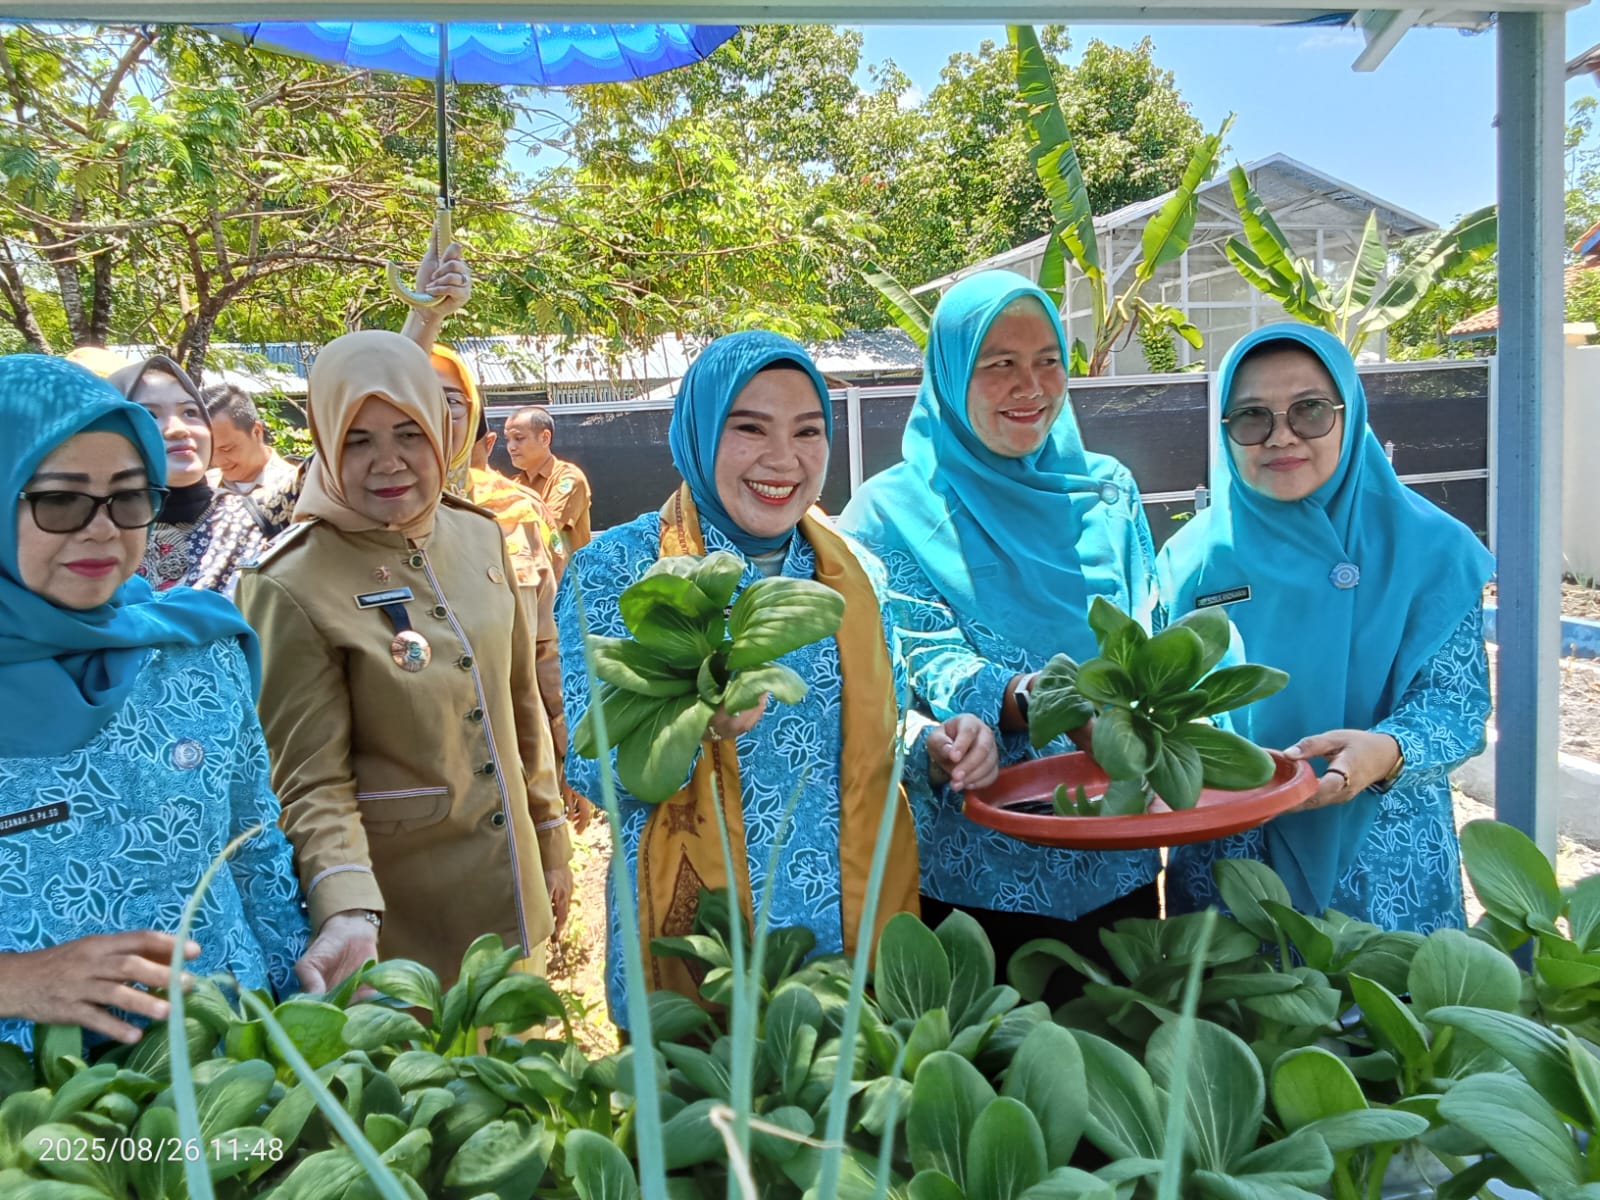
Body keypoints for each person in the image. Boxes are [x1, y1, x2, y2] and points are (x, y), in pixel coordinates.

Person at [557, 330, 998, 1027]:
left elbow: (873, 719)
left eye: (807, 431)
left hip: (849, 944)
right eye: (749, 428)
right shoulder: (619, 570)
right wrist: (693, 723)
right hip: (706, 949)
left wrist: (932, 747)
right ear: (700, 429)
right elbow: (591, 762)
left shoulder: (854, 571)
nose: (783, 459)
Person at [839, 269, 1161, 984]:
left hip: (1124, 846)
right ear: (953, 374)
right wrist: (1045, 698)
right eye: (1000, 365)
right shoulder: (890, 512)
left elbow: (1148, 624)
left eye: (1048, 359)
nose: (1032, 386)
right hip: (977, 870)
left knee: (1129, 1071)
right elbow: (920, 659)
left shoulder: (1107, 492)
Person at [235, 331, 571, 991]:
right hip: (398, 931)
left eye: (408, 435)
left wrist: (550, 836)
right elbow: (308, 782)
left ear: (442, 433)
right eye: (358, 440)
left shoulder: (478, 534)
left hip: (515, 893)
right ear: (325, 439)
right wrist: (345, 906)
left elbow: (517, 702)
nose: (387, 462)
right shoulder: (289, 582)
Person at [0, 355, 308, 1050]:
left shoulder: (195, 650)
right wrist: (18, 982)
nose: (103, 529)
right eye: (60, 499)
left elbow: (254, 852)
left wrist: (306, 1019)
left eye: (130, 497)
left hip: (231, 1075)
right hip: (39, 1118)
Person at [1157, 323, 1493, 931]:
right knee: (1239, 1020)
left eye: (1310, 410)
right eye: (1252, 416)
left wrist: (1386, 751)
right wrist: (1210, 752)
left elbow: (1457, 706)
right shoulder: (1191, 560)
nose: (1281, 436)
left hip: (1384, 861)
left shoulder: (1432, 549)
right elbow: (1166, 700)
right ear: (1225, 430)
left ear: (1349, 411)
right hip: (1232, 862)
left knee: (1385, 1019)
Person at [433, 343, 585, 831]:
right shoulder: (358, 519)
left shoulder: (517, 509)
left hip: (515, 752)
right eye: (418, 395)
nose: (436, 413)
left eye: (452, 400)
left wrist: (569, 753)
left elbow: (547, 645)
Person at [110, 356, 273, 595]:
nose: (177, 428)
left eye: (189, 411)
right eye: (150, 415)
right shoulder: (96, 532)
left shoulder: (263, 516)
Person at [204, 383, 301, 537]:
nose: (218, 461)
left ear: (256, 431)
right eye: (210, 451)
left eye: (226, 449)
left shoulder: (295, 487)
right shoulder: (205, 487)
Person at [503, 405, 592, 552]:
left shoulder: (568, 478)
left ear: (545, 438)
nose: (511, 447)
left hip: (564, 574)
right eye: (508, 439)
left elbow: (547, 529)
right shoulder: (514, 485)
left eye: (518, 438)